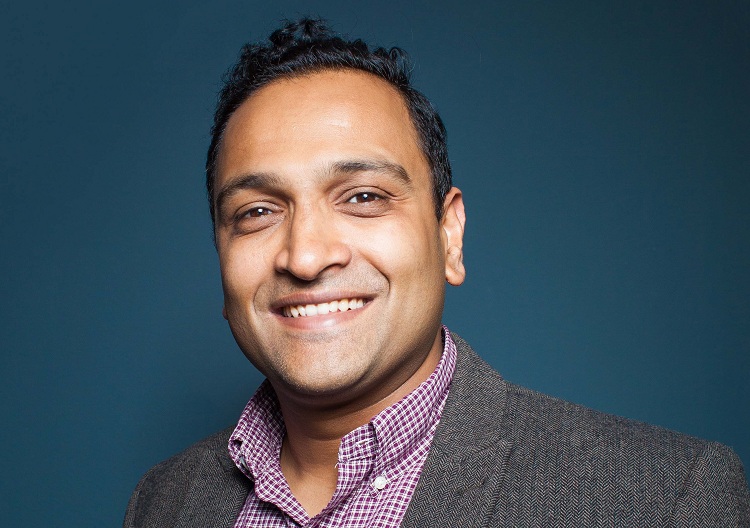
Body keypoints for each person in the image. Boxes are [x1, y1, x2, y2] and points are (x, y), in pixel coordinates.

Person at [124, 18, 750, 527]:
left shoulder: (664, 500)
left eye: (363, 197)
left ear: (449, 235)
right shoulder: (163, 502)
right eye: (257, 212)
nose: (306, 257)